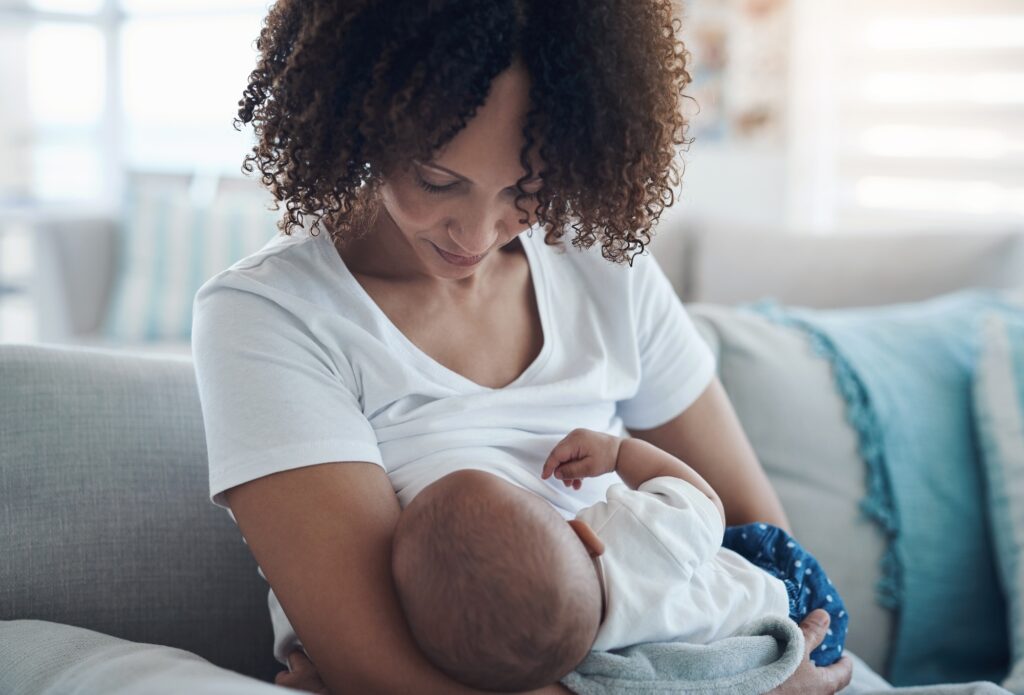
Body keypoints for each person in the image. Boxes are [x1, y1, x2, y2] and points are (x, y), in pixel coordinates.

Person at [191, 1, 856, 693]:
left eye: (525, 189)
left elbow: (767, 547)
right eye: (439, 180)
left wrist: (750, 668)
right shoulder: (270, 315)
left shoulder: (603, 266)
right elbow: (380, 670)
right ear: (358, 114)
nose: (476, 235)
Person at [389, 428, 848, 692]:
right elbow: (705, 503)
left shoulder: (577, 666)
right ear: (584, 534)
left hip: (756, 657)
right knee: (743, 540)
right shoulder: (631, 532)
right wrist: (621, 453)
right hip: (788, 597)